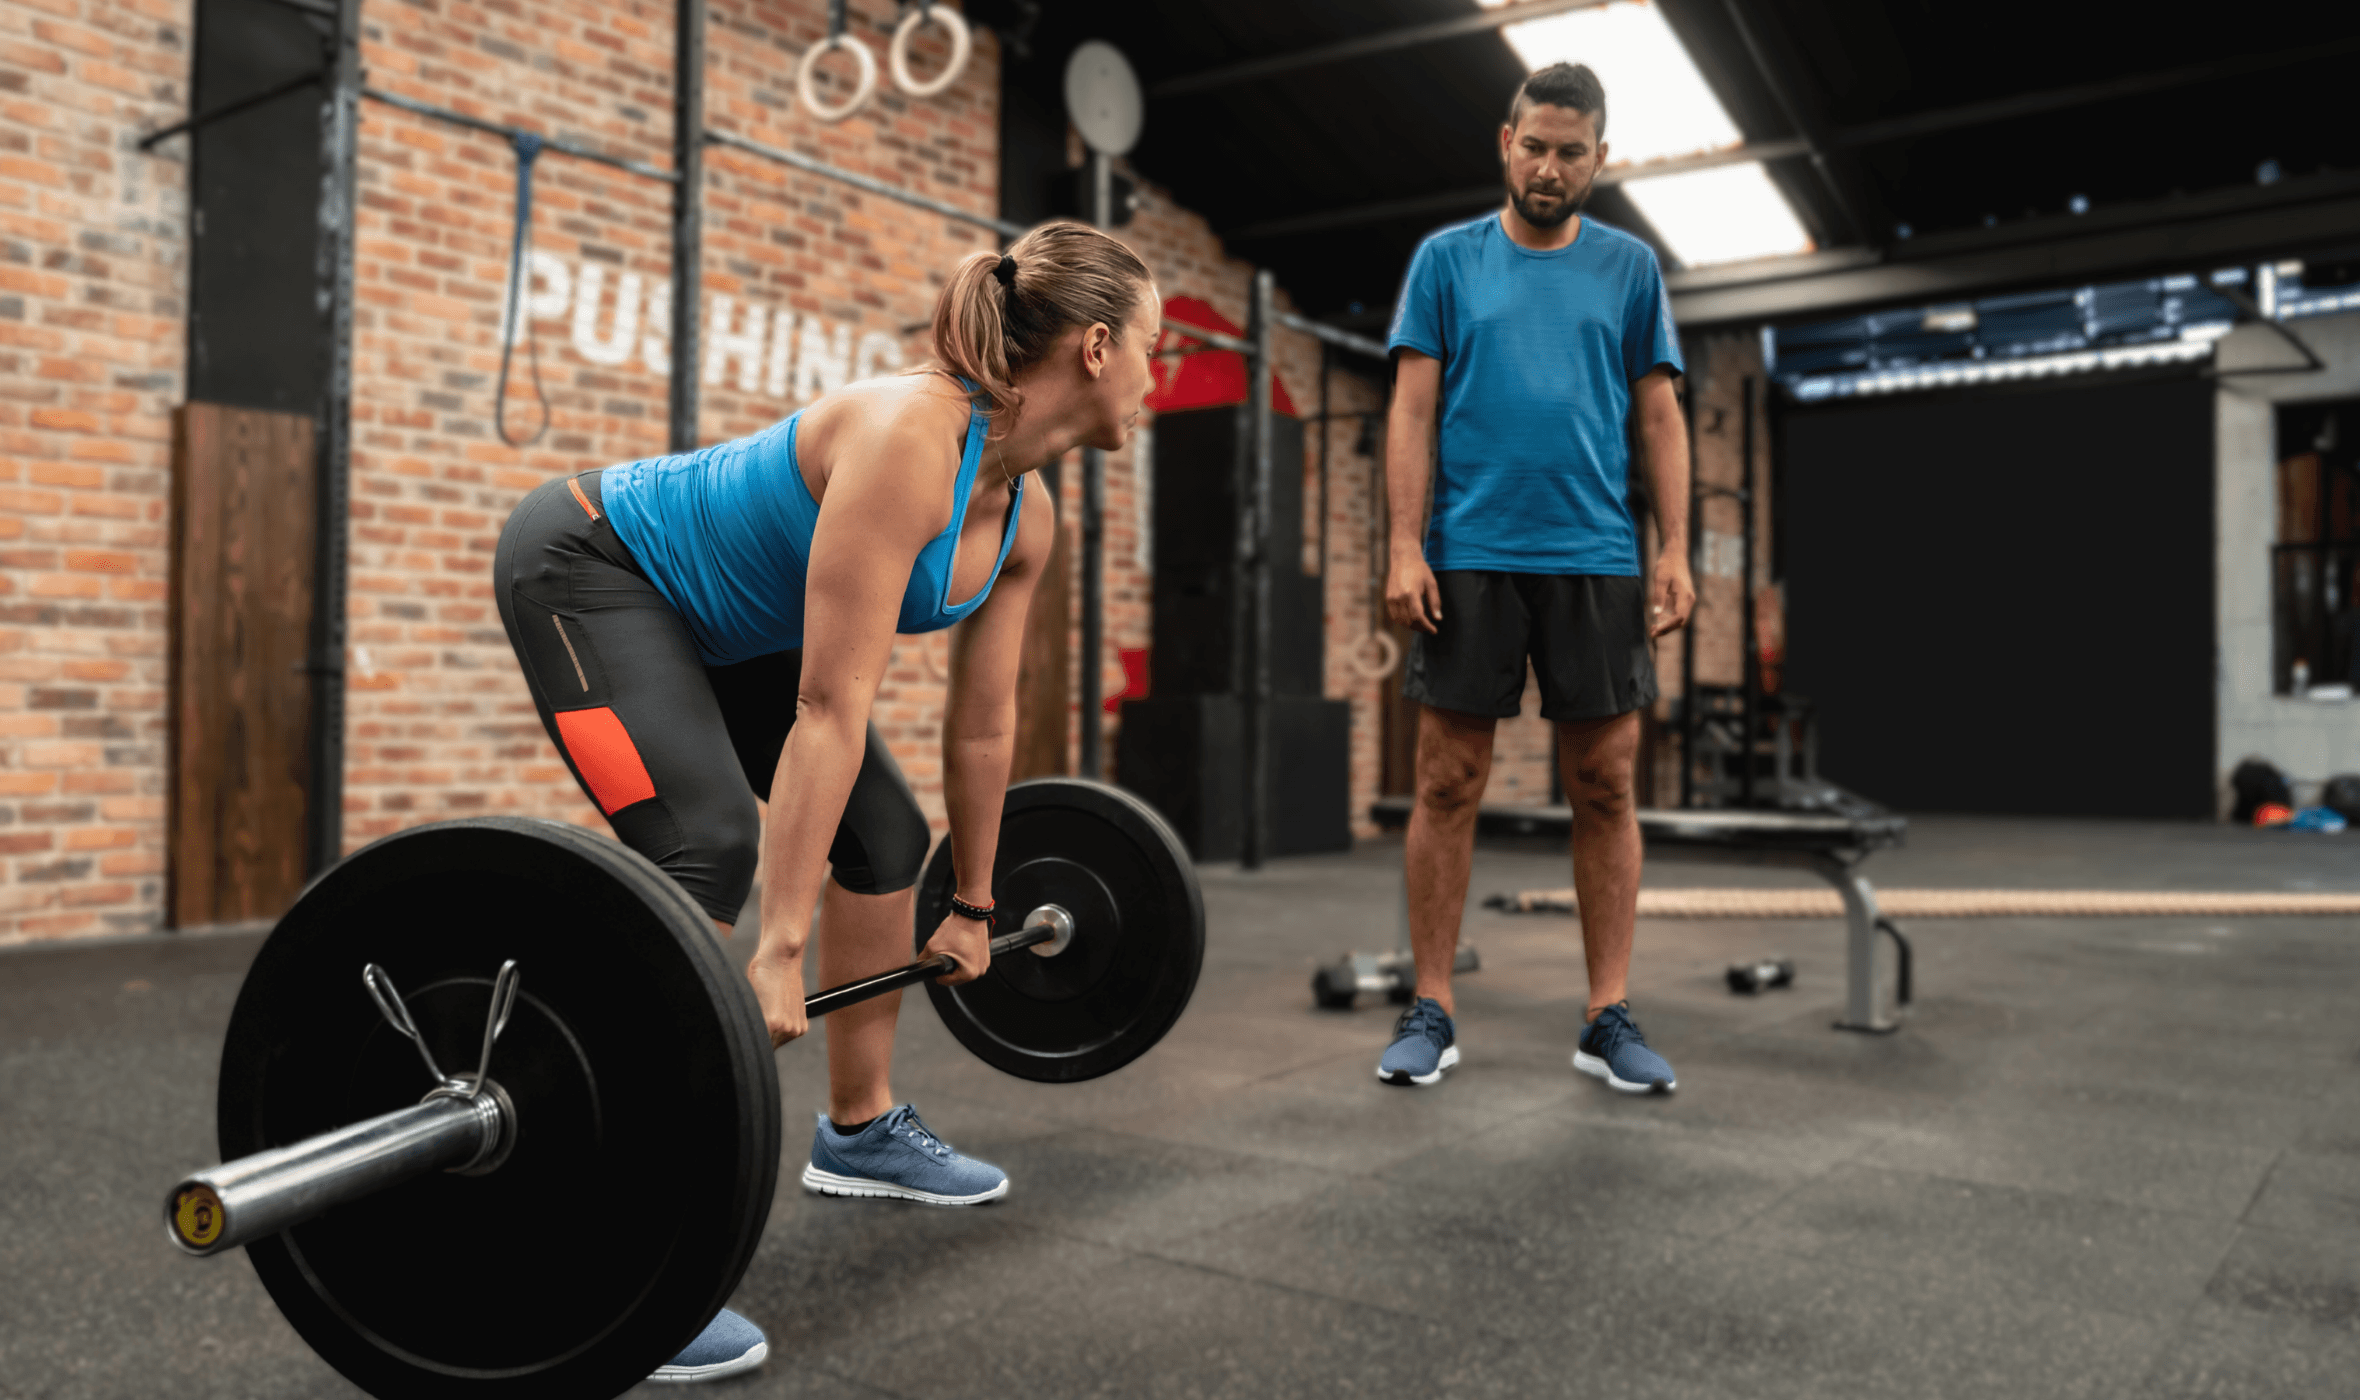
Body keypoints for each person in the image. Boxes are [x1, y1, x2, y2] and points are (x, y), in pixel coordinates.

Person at [492, 220, 1161, 1381]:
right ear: (1097, 347)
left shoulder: (1025, 512)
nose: (1160, 378)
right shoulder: (914, 434)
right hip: (589, 569)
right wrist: (777, 948)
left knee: (887, 838)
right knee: (704, 846)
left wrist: (972, 901)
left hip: (722, 631)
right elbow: (825, 709)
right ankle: (610, 1247)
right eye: (1156, 346)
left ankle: (858, 1128)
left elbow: (984, 722)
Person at [1376, 62, 1694, 1092]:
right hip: (1467, 551)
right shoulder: (1444, 262)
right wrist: (1400, 543)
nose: (1548, 165)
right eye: (1533, 144)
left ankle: (1606, 1013)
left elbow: (1659, 416)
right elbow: (1411, 411)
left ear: (1599, 160)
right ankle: (1431, 1004)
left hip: (1596, 555)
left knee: (1603, 783)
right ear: (1502, 143)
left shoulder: (1630, 269)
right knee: (1444, 781)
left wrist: (1677, 549)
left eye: (1570, 150)